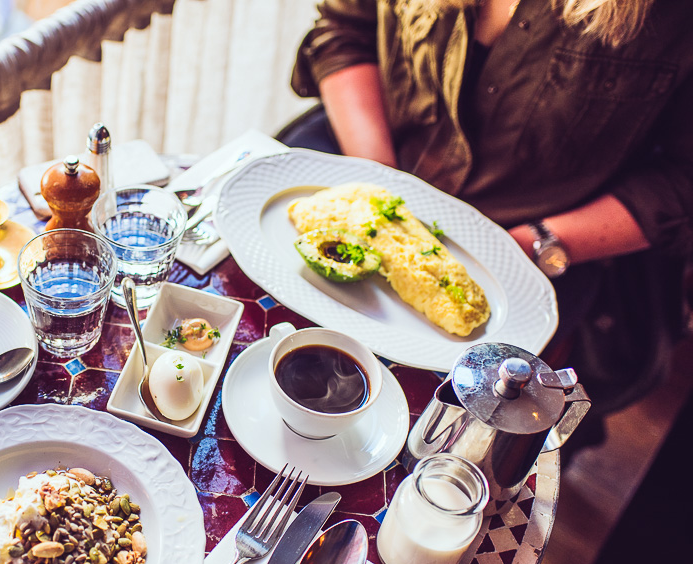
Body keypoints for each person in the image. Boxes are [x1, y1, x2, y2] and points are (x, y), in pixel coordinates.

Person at [289, 0, 693, 412]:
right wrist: (378, 186)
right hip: (367, 158)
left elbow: (683, 180)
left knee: (424, 421)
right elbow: (344, 30)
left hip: (532, 246)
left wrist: (538, 244)